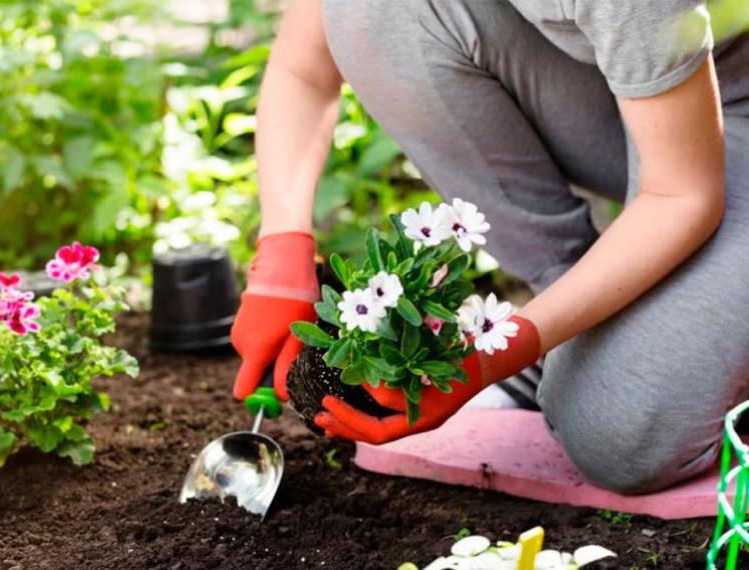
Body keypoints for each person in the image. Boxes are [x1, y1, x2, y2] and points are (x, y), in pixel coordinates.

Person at [229, 0, 749, 495]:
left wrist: (486, 360)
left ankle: (632, 348)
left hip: (727, 118)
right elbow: (304, 67)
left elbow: (681, 195)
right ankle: (580, 332)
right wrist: (281, 249)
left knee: (617, 438)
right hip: (638, 98)